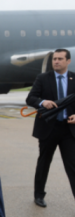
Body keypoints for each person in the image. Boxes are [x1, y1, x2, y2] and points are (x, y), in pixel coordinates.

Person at [26, 48, 75, 208]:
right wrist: (42, 102)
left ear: (68, 61)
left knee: (72, 165)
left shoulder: (74, 78)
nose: (56, 61)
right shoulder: (43, 78)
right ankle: (39, 195)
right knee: (44, 163)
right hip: (48, 128)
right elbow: (30, 98)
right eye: (55, 59)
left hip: (69, 130)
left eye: (60, 59)